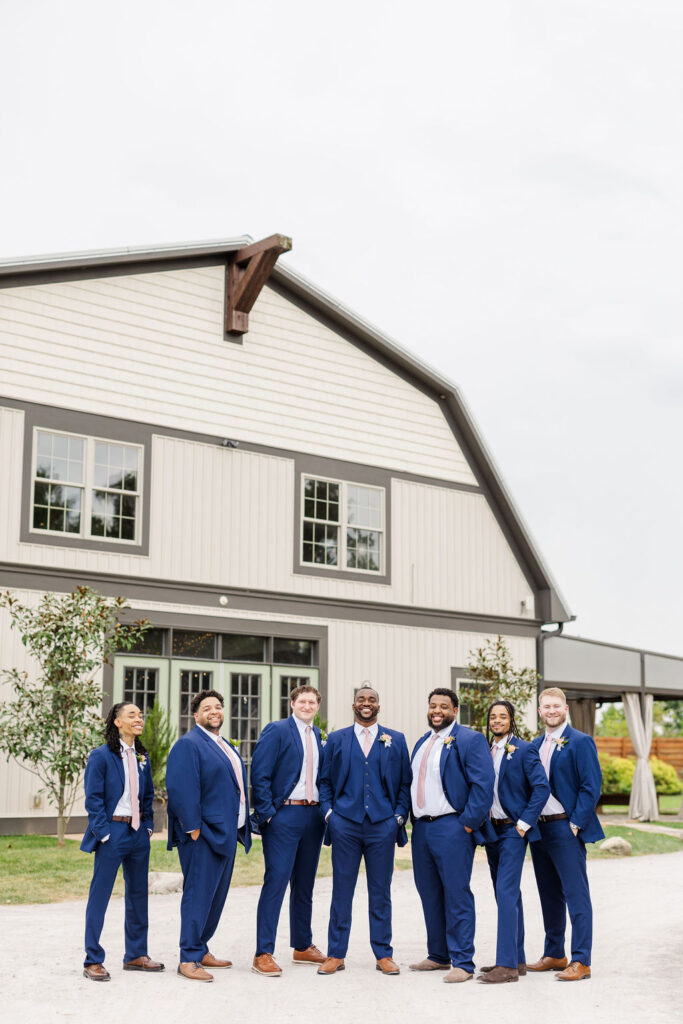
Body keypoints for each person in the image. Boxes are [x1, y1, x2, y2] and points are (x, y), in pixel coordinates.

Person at [317, 685, 411, 976]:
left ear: (378, 706)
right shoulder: (336, 739)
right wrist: (330, 814)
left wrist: (397, 817)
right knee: (341, 890)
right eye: (361, 699)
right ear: (354, 704)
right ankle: (335, 954)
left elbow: (404, 784)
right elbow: (325, 782)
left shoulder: (395, 739)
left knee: (380, 892)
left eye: (372, 699)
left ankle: (383, 954)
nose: (366, 703)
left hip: (382, 825)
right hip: (345, 823)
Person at [409, 687, 494, 984]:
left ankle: (463, 961)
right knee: (429, 892)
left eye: (443, 706)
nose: (437, 711)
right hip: (422, 828)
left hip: (452, 827)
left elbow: (483, 785)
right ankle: (438, 955)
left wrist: (467, 825)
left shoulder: (470, 739)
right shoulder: (422, 742)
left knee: (457, 893)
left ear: (455, 710)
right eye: (433, 705)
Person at [166, 689, 251, 982]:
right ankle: (188, 957)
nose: (213, 711)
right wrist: (193, 829)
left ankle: (201, 948)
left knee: (216, 897)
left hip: (227, 833)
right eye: (207, 708)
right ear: (196, 715)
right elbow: (180, 788)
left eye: (217, 707)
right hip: (202, 836)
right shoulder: (188, 744)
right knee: (198, 897)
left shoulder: (224, 744)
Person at [81, 702, 164, 981]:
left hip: (138, 834)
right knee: (100, 895)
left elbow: (148, 795)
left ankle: (136, 955)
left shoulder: (143, 757)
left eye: (140, 715)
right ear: (117, 722)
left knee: (139, 894)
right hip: (112, 833)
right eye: (132, 715)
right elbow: (93, 800)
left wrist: (149, 827)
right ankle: (93, 959)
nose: (139, 719)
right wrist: (104, 834)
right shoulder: (101, 756)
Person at [527, 686, 604, 981]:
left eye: (556, 706)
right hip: (540, 829)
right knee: (549, 894)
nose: (551, 711)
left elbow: (590, 786)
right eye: (546, 707)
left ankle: (581, 960)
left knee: (576, 894)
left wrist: (575, 823)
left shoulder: (580, 742)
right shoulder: (534, 746)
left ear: (565, 709)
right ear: (539, 711)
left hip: (565, 827)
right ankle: (555, 953)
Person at [250, 684, 326, 976]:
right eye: (302, 701)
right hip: (284, 815)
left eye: (312, 702)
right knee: (277, 881)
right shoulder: (277, 730)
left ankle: (302, 946)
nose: (307, 706)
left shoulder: (318, 736)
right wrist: (268, 813)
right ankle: (263, 952)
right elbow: (260, 771)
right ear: (292, 703)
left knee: (305, 885)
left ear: (317, 706)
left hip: (313, 816)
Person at [478, 700, 549, 984]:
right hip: (491, 832)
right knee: (505, 894)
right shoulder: (484, 750)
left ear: (511, 719)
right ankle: (517, 959)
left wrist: (523, 824)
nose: (496, 720)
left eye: (502, 716)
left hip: (512, 831)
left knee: (506, 893)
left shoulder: (523, 749)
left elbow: (541, 787)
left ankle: (505, 966)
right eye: (493, 716)